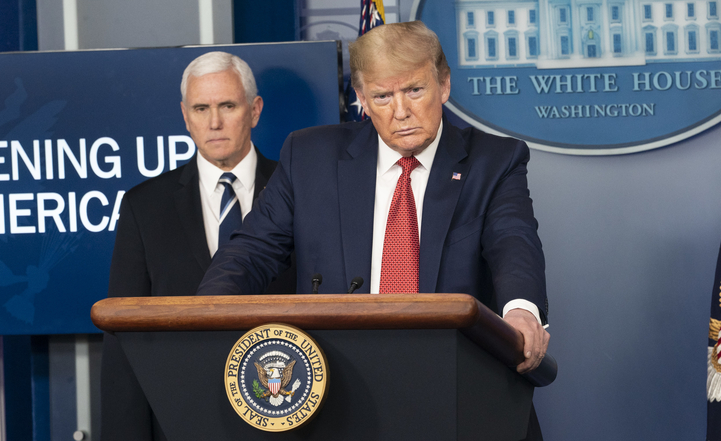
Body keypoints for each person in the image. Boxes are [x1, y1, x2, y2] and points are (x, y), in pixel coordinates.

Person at [197, 22, 549, 439]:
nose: (400, 111)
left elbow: (514, 241)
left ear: (444, 84)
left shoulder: (494, 161)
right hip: (342, 396)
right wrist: (203, 314)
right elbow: (252, 250)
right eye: (383, 96)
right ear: (362, 100)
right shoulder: (311, 157)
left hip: (460, 393)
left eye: (414, 91)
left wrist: (522, 313)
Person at [101, 51, 296, 441]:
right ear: (185, 116)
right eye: (201, 108)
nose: (214, 122)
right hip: (180, 418)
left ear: (254, 111)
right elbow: (124, 336)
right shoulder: (145, 205)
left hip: (286, 413)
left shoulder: (299, 189)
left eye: (228, 105)